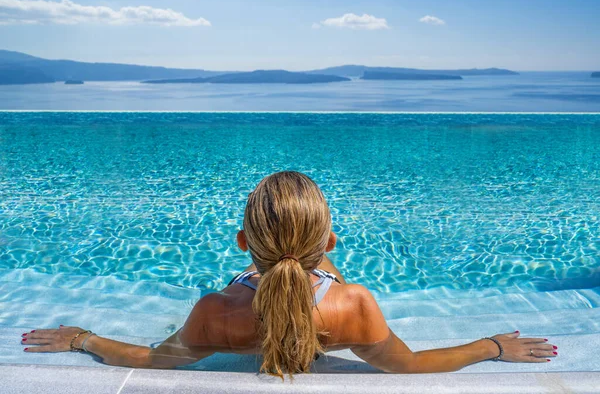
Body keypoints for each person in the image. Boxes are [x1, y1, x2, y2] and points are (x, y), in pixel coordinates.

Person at [20, 171, 557, 379]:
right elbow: (410, 366)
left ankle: (284, 261)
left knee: (282, 271)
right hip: (323, 305)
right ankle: (298, 261)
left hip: (247, 306)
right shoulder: (356, 305)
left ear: (241, 245)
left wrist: (81, 338)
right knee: (321, 277)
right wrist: (490, 347)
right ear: (331, 244)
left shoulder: (213, 313)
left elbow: (151, 358)